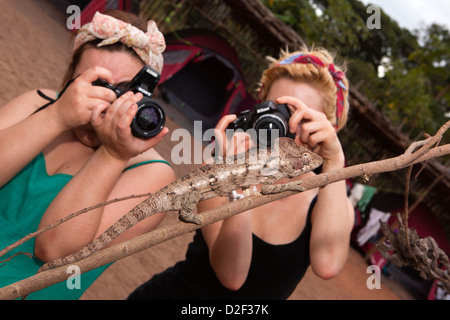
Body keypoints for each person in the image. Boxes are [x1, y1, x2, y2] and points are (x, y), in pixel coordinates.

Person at [127, 47, 355, 300]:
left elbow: (327, 265)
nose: (284, 127)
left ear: (328, 128)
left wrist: (335, 161)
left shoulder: (331, 199)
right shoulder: (219, 171)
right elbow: (232, 276)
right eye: (277, 111)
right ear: (259, 111)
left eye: (302, 117)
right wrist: (237, 181)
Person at [0, 10, 174, 300]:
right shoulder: (38, 104)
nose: (103, 103)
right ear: (69, 78)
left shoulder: (153, 173)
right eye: (94, 84)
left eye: (121, 90)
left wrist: (114, 155)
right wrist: (55, 117)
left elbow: (52, 248)